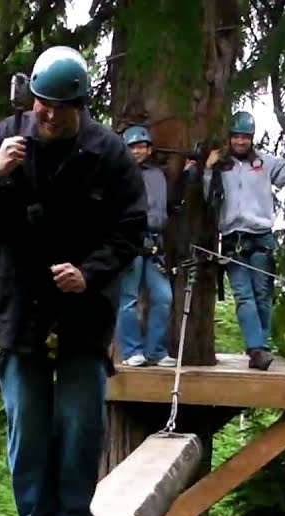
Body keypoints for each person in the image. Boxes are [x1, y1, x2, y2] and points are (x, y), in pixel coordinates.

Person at [0, 46, 147, 516]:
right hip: (20, 308)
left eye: (57, 106)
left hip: (83, 311)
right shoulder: (3, 138)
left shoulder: (109, 154)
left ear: (80, 104)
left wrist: (91, 273)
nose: (46, 114)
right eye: (39, 102)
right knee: (27, 424)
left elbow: (131, 229)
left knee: (81, 424)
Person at [202, 110, 285, 371]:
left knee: (262, 296)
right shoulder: (221, 165)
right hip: (232, 238)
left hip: (260, 237)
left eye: (245, 138)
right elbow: (209, 197)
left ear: (252, 138)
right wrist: (207, 168)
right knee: (244, 296)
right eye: (236, 137)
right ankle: (256, 348)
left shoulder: (265, 163)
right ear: (230, 138)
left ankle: (260, 347)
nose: (240, 142)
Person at [115, 124, 176, 368]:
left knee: (164, 297)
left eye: (142, 146)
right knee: (128, 298)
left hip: (155, 242)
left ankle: (156, 351)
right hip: (130, 239)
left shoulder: (157, 174)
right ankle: (132, 351)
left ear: (149, 149)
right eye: (133, 147)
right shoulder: (118, 174)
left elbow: (168, 205)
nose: (138, 151)